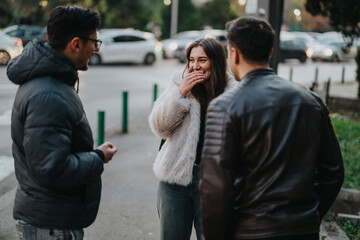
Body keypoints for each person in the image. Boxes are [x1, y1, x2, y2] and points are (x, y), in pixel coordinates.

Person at [199, 17, 344, 240]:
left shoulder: (224, 106)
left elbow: (215, 190)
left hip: (251, 230)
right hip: (302, 231)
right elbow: (333, 172)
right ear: (271, 52)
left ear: (234, 54)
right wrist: (310, 216)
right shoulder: (311, 101)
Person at [7, 5, 117, 240]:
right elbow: (51, 169)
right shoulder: (49, 95)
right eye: (94, 42)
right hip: (49, 224)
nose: (95, 49)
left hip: (49, 218)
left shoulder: (50, 82)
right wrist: (98, 157)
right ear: (76, 43)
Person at [148, 38, 236, 240]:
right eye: (191, 60)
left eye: (202, 60)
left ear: (216, 61)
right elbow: (160, 127)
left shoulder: (233, 92)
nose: (195, 66)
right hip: (175, 180)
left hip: (214, 184)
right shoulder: (178, 84)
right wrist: (181, 94)